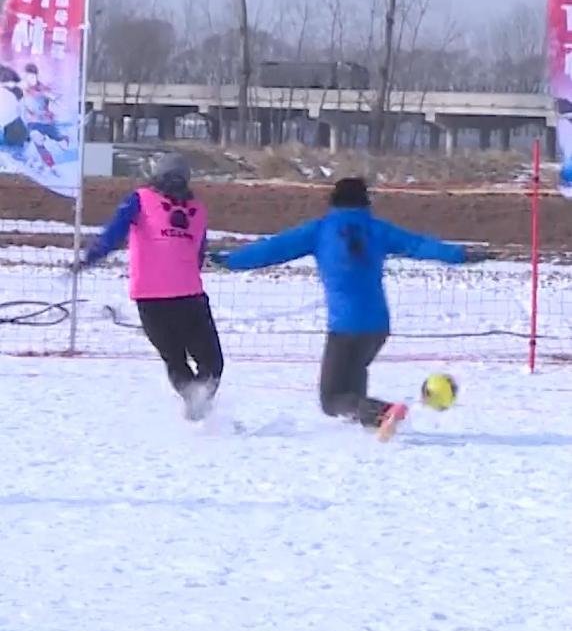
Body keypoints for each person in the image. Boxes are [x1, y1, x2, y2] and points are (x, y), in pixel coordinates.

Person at [212, 177, 485, 438]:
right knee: (352, 392)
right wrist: (460, 255)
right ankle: (373, 427)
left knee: (331, 400)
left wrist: (229, 261)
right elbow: (419, 244)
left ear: (333, 200)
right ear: (365, 202)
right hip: (378, 326)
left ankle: (383, 412)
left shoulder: (320, 230)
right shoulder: (378, 229)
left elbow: (273, 249)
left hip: (344, 328)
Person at [80, 152, 224, 420]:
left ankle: (196, 407)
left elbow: (114, 232)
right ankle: (199, 406)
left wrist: (91, 257)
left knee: (174, 359)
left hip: (150, 297)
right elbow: (199, 252)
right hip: (189, 295)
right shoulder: (199, 210)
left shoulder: (139, 199)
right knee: (211, 362)